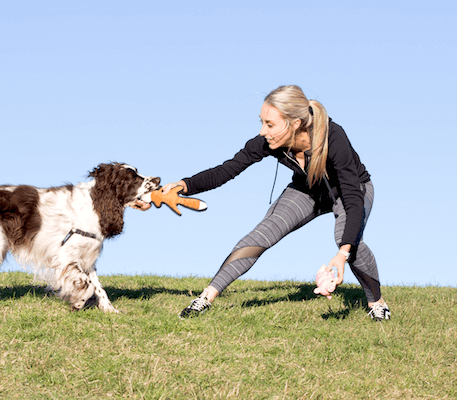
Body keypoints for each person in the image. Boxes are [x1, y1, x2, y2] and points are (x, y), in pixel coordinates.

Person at [158, 85, 390, 320]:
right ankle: (206, 297)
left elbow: (352, 197)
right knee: (261, 234)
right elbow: (228, 169)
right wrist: (184, 185)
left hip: (351, 191)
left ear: (295, 123)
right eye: (262, 122)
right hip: (307, 190)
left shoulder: (333, 136)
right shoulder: (268, 142)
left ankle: (376, 303)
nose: (263, 131)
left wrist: (342, 254)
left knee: (348, 240)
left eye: (270, 124)